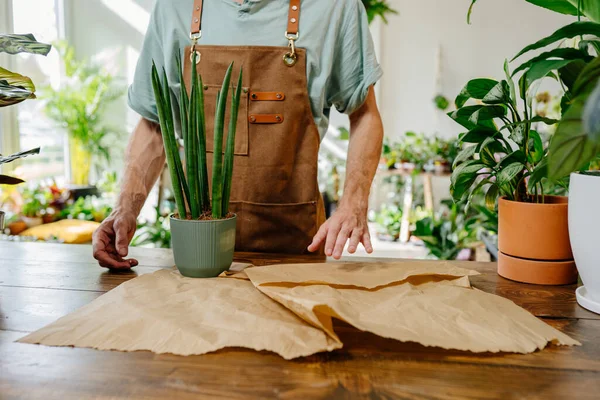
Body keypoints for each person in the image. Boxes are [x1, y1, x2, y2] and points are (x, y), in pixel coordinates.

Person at [92, 0, 384, 269]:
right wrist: (124, 210)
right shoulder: (174, 7)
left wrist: (353, 205)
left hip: (293, 251)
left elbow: (365, 115)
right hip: (197, 254)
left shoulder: (334, 7)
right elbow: (155, 123)